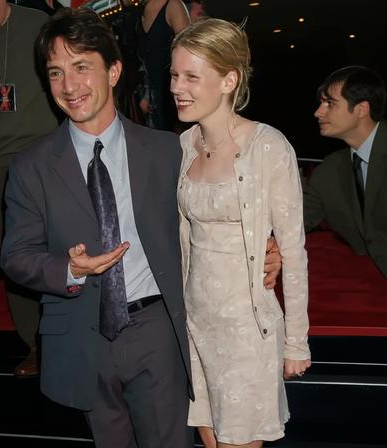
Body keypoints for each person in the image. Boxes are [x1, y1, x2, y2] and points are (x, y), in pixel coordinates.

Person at [1, 9, 281, 448]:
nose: (69, 86)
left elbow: (210, 218)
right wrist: (70, 270)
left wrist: (262, 250)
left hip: (157, 330)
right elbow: (15, 255)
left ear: (113, 71)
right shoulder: (30, 167)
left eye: (81, 67)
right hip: (82, 335)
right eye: (56, 72)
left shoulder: (168, 151)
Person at [170, 18, 311, 447]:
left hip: (247, 329)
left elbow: (294, 249)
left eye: (193, 77)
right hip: (196, 324)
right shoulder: (183, 145)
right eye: (175, 75)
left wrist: (296, 344)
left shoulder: (268, 146)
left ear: (229, 80)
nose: (178, 87)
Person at [0, 0, 59, 376]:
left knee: (66, 250)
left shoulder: (40, 26)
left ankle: (76, 341)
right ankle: (35, 345)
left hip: (50, 155)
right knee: (16, 260)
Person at [305, 66, 387, 277]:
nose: (318, 112)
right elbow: (295, 219)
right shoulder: (328, 171)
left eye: (329, 103)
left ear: (361, 109)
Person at [137, 0, 190, 131]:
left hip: (171, 94)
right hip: (150, 95)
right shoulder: (141, 11)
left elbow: (189, 52)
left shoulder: (174, 5)